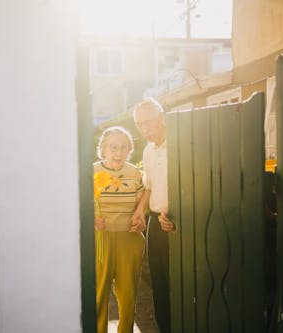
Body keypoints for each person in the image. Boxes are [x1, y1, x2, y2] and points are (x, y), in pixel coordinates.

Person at [93, 126, 146, 333]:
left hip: (129, 238)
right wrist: (92, 219)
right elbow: (79, 203)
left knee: (128, 294)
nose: (118, 152)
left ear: (129, 150)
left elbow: (143, 205)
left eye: (124, 147)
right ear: (103, 149)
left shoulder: (135, 173)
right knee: (99, 292)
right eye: (113, 147)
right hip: (100, 238)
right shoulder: (92, 171)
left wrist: (141, 219)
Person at [131, 98, 175, 333]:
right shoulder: (148, 150)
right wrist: (140, 212)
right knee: (159, 284)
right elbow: (149, 187)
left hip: (180, 223)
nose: (144, 129)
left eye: (148, 122)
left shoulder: (180, 144)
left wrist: (175, 212)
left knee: (178, 285)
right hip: (155, 225)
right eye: (139, 124)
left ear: (162, 118)